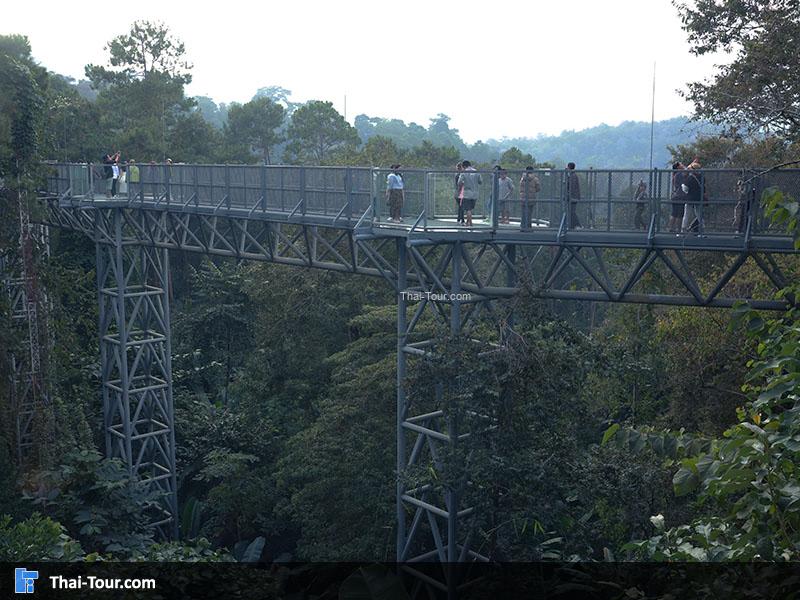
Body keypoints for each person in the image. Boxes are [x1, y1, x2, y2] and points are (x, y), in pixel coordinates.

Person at [683, 160, 706, 234]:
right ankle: (702, 230)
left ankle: (683, 230)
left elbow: (685, 188)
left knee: (687, 215)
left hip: (690, 199)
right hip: (699, 198)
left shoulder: (690, 178)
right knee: (699, 214)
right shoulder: (702, 177)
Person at [457, 160, 482, 227]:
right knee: (470, 209)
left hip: (467, 193)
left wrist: (461, 186)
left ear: (464, 166)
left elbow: (459, 182)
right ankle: (468, 223)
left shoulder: (464, 172)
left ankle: (470, 223)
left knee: (468, 209)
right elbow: (480, 181)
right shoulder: (476, 171)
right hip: (475, 193)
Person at [669, 162, 686, 233]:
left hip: (675, 196)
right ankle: (678, 229)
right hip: (680, 196)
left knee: (674, 213)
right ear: (678, 167)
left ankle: (670, 228)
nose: (683, 165)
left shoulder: (675, 174)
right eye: (681, 164)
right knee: (679, 214)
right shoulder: (679, 174)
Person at [566, 162, 581, 228]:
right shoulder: (572, 175)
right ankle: (572, 225)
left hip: (573, 197)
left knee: (572, 212)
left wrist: (569, 194)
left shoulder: (573, 176)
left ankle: (577, 225)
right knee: (571, 211)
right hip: (573, 196)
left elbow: (571, 186)